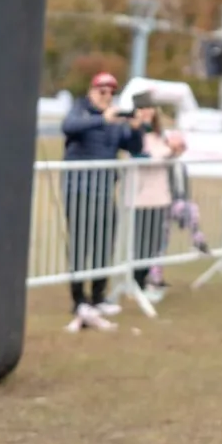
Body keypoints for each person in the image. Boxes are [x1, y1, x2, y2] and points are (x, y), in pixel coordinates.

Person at [61, 72, 148, 331]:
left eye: (111, 92)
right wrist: (100, 119)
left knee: (103, 244)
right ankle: (79, 300)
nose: (107, 95)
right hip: (78, 190)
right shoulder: (81, 110)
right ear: (92, 90)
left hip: (104, 191)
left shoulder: (114, 119)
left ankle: (98, 296)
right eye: (102, 91)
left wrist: (136, 129)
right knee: (80, 246)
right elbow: (68, 127)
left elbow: (134, 147)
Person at [127, 102, 186, 303]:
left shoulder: (159, 135)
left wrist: (175, 151)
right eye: (143, 108)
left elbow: (163, 158)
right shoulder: (134, 134)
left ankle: (146, 280)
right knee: (140, 241)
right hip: (141, 196)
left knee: (153, 241)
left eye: (149, 108)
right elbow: (146, 157)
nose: (147, 113)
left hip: (160, 195)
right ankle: (137, 282)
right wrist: (169, 151)